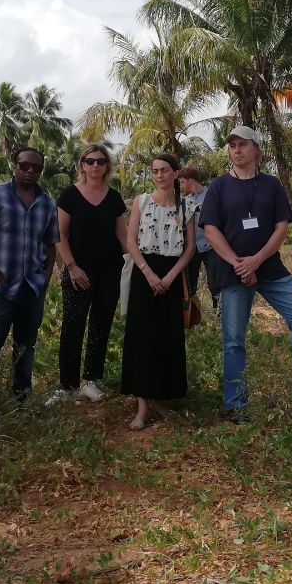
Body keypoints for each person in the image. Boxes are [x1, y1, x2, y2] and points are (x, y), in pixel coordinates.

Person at [202, 126, 292, 423]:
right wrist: (238, 263)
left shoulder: (271, 185)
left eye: (242, 144)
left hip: (269, 267)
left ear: (256, 149)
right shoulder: (218, 186)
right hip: (233, 271)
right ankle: (236, 405)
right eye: (232, 146)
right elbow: (210, 230)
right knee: (234, 338)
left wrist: (256, 261)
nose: (236, 150)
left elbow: (281, 228)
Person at [0, 147, 60, 405]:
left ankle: (22, 397)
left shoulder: (48, 203)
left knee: (26, 346)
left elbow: (51, 243)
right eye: (24, 165)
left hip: (32, 287)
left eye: (36, 167)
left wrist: (46, 276)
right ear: (14, 166)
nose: (30, 171)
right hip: (0, 287)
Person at [121, 153, 195, 430]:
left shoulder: (186, 206)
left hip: (172, 275)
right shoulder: (141, 201)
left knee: (168, 337)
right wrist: (149, 273)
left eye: (164, 170)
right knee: (142, 337)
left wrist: (171, 275)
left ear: (176, 173)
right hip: (145, 274)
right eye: (155, 170)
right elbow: (131, 241)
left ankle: (161, 397)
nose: (159, 175)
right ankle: (142, 405)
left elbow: (190, 247)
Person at [53, 144, 126, 405]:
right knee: (72, 327)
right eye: (90, 161)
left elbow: (122, 236)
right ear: (82, 165)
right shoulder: (70, 195)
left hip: (110, 271)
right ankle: (67, 386)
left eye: (101, 161)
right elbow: (60, 234)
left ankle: (90, 381)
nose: (95, 165)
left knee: (100, 326)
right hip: (78, 272)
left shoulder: (114, 198)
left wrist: (138, 265)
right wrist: (72, 267)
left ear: (107, 166)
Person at [178, 166, 220, 310]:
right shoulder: (184, 201)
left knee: (215, 285)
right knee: (189, 286)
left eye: (182, 182)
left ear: (190, 180)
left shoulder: (211, 195)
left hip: (211, 247)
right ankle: (190, 316)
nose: (180, 186)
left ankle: (219, 314)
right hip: (191, 248)